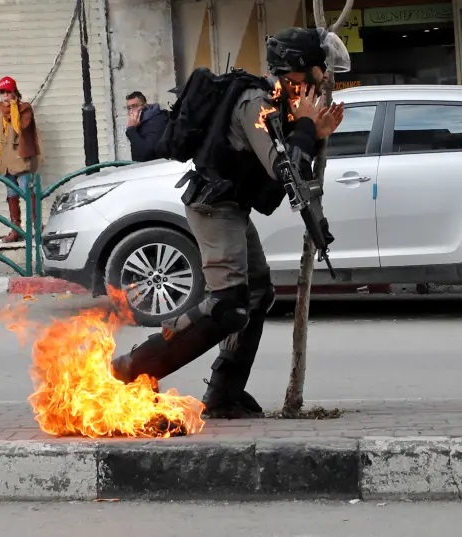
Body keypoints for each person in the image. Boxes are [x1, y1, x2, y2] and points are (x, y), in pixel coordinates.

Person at [110, 27, 347, 418]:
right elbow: (283, 168)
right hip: (213, 208)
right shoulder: (258, 105)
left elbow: (290, 160)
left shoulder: (276, 102)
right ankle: (132, 370)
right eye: (317, 75)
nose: (320, 85)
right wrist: (307, 127)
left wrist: (314, 132)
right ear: (297, 74)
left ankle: (224, 394)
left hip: (232, 208)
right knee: (227, 305)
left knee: (257, 295)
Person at [0, 76, 40, 243]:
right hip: (5, 159)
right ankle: (16, 229)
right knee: (11, 194)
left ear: (15, 92)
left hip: (21, 158)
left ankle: (37, 227)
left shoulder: (24, 108)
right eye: (2, 92)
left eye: (8, 91)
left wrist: (13, 105)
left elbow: (19, 128)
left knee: (29, 192)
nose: (5, 95)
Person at [125, 91, 168, 162]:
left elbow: (146, 154)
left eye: (135, 106)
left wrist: (131, 130)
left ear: (145, 105)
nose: (131, 111)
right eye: (129, 108)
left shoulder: (156, 121)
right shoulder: (140, 123)